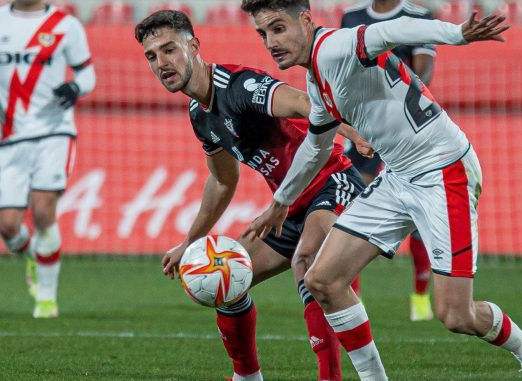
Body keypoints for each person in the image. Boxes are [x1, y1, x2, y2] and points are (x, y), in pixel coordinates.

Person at [241, 1, 522, 380]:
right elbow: (317, 145)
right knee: (322, 279)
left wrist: (455, 34)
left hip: (443, 170)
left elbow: (392, 30)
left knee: (456, 315)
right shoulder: (316, 78)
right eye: (263, 34)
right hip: (398, 175)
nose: (271, 41)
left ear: (306, 21)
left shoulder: (336, 47)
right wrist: (281, 202)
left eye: (278, 28)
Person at [135, 10, 370, 381]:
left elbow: (301, 102)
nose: (162, 63)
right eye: (152, 56)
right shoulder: (200, 113)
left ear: (193, 46)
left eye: (169, 50)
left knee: (308, 264)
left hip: (334, 182)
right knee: (226, 275)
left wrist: (352, 133)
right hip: (288, 207)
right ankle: (247, 377)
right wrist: (189, 242)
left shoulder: (237, 86)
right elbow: (223, 182)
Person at [0, 0, 95, 318]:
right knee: (8, 227)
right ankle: (34, 256)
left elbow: (87, 72)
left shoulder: (65, 25)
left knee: (42, 210)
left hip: (54, 132)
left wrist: (76, 86)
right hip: (9, 137)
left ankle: (46, 301)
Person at [341, 0, 436, 322]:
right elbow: (344, 71)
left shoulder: (419, 16)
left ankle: (420, 297)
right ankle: (353, 299)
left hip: (407, 129)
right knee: (350, 211)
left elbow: (424, 72)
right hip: (366, 128)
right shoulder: (352, 17)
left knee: (419, 213)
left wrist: (391, 96)